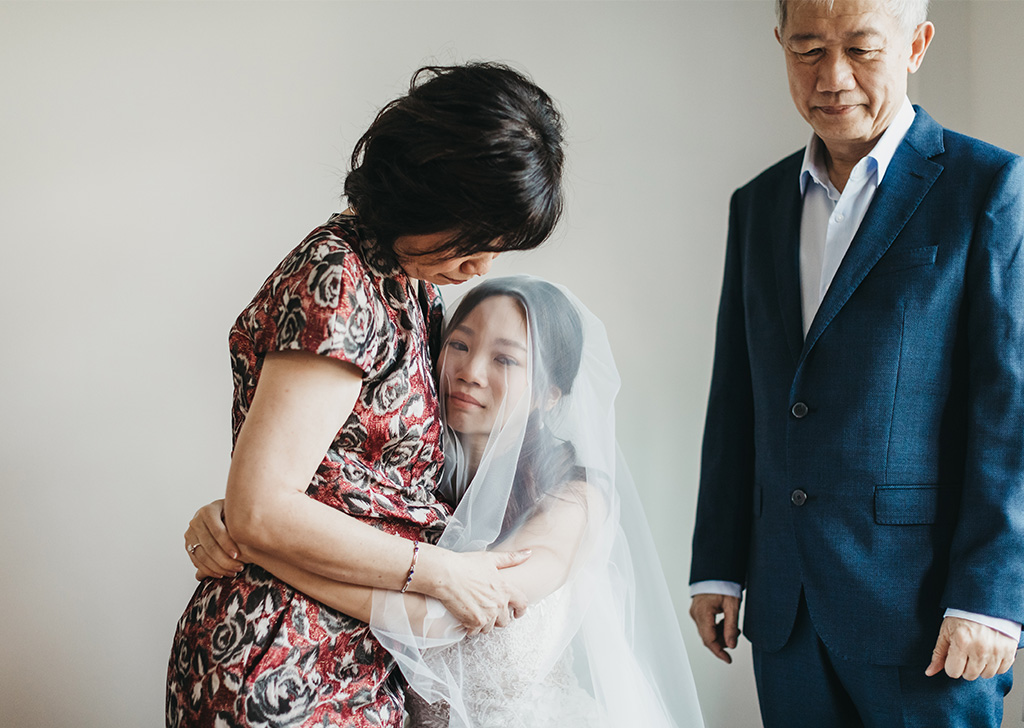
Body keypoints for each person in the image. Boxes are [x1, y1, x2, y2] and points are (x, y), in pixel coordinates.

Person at [166, 63, 565, 728]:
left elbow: (333, 478)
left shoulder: (413, 285)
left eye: (496, 250)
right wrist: (438, 571)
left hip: (348, 653)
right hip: (282, 661)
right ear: (424, 187)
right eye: (474, 240)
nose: (481, 270)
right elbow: (262, 507)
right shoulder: (342, 278)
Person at [689, 0, 1024, 725]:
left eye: (862, 49)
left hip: (929, 615)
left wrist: (990, 599)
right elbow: (738, 396)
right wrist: (719, 562)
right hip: (786, 606)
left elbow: (1010, 413)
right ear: (780, 43)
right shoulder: (757, 204)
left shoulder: (988, 188)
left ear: (917, 44)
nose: (831, 77)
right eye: (807, 49)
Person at [189, 276, 704, 728]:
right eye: (459, 345)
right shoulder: (409, 481)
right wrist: (232, 516)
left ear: (550, 393)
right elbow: (300, 516)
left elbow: (438, 621)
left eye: (504, 358)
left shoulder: (573, 500)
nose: (470, 371)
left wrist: (259, 545)